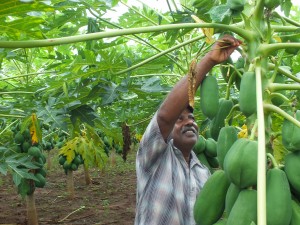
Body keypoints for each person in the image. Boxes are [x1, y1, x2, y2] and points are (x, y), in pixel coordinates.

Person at [134, 35, 242, 225]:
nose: (189, 122)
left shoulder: (203, 172)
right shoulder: (152, 157)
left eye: (192, 118)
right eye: (180, 119)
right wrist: (208, 61)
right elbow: (165, 117)